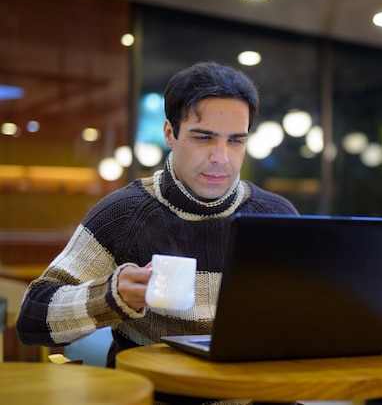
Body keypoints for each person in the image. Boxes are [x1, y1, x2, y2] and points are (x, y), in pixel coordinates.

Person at [16, 61, 299, 376]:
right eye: (203, 138)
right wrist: (112, 296)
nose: (221, 157)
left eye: (236, 140)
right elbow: (32, 318)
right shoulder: (126, 214)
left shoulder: (276, 216)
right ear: (170, 133)